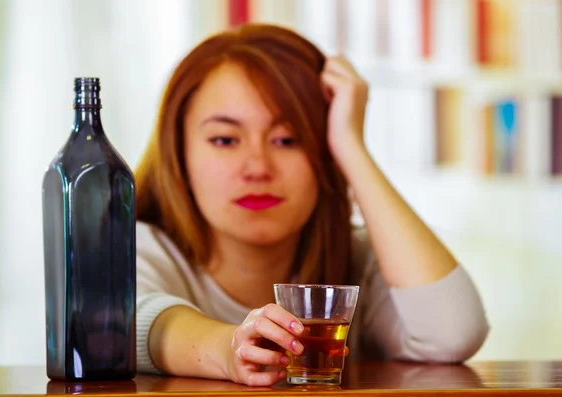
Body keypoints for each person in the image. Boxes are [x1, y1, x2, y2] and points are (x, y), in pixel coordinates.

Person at [133, 23, 489, 386]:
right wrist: (232, 349)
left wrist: (351, 146)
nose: (258, 167)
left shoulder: (365, 260)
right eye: (225, 140)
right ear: (178, 154)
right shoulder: (139, 247)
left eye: (288, 139)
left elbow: (452, 333)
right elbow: (127, 321)